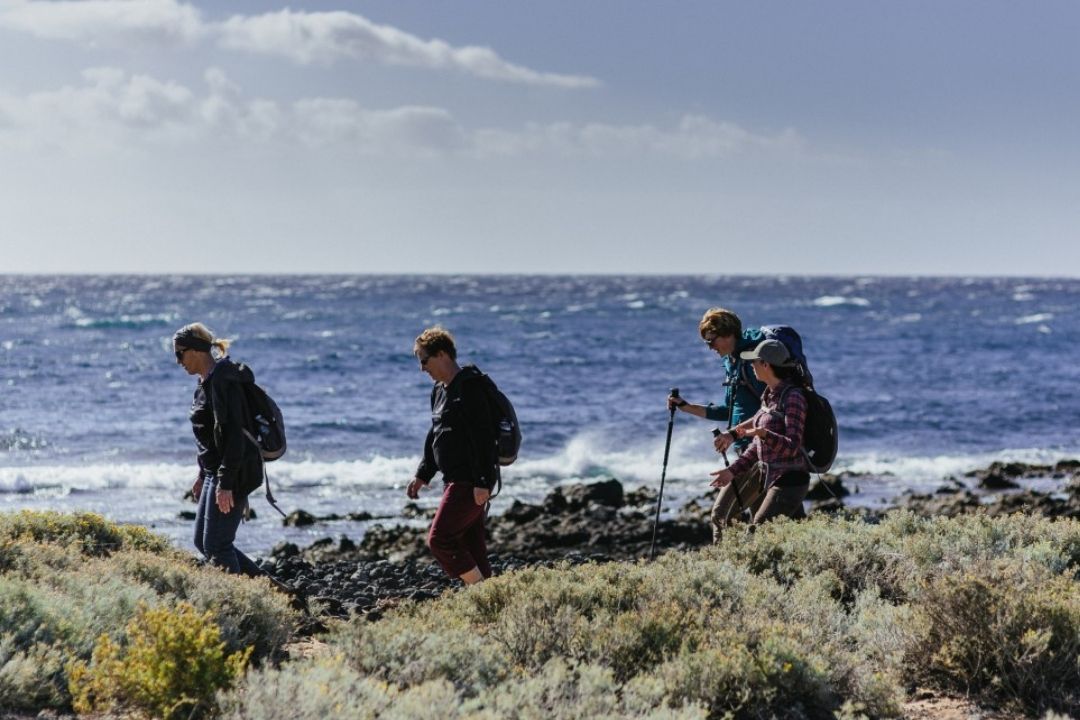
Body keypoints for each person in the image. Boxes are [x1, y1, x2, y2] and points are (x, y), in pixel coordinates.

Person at [407, 326, 497, 585]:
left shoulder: (470, 387)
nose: (422, 368)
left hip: (470, 482)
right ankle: (490, 603)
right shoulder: (439, 391)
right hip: (453, 480)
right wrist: (423, 474)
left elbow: (483, 437)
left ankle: (479, 590)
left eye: (424, 360)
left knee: (440, 539)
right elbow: (436, 433)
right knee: (473, 547)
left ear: (442, 354)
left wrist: (482, 481)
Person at [666, 307, 765, 541]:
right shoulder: (733, 364)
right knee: (765, 521)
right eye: (706, 342)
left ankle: (728, 573)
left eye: (711, 341)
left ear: (729, 334)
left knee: (722, 516)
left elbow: (771, 410)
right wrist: (685, 406)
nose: (710, 347)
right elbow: (727, 411)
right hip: (746, 452)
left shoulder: (752, 364)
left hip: (760, 452)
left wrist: (733, 434)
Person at [174, 322, 265, 576]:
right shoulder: (204, 384)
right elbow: (210, 439)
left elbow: (234, 436)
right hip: (216, 471)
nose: (178, 361)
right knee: (203, 543)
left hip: (233, 470)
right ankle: (273, 592)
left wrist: (226, 483)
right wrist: (202, 474)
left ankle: (245, 603)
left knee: (217, 545)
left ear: (196, 351)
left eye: (179, 354)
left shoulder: (223, 382)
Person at [708, 339, 811, 530]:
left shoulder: (793, 398)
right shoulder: (768, 395)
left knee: (759, 532)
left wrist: (764, 434)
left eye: (754, 361)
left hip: (789, 481)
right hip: (768, 475)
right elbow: (755, 448)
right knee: (793, 531)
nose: (751, 365)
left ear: (766, 364)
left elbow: (793, 447)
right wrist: (732, 471)